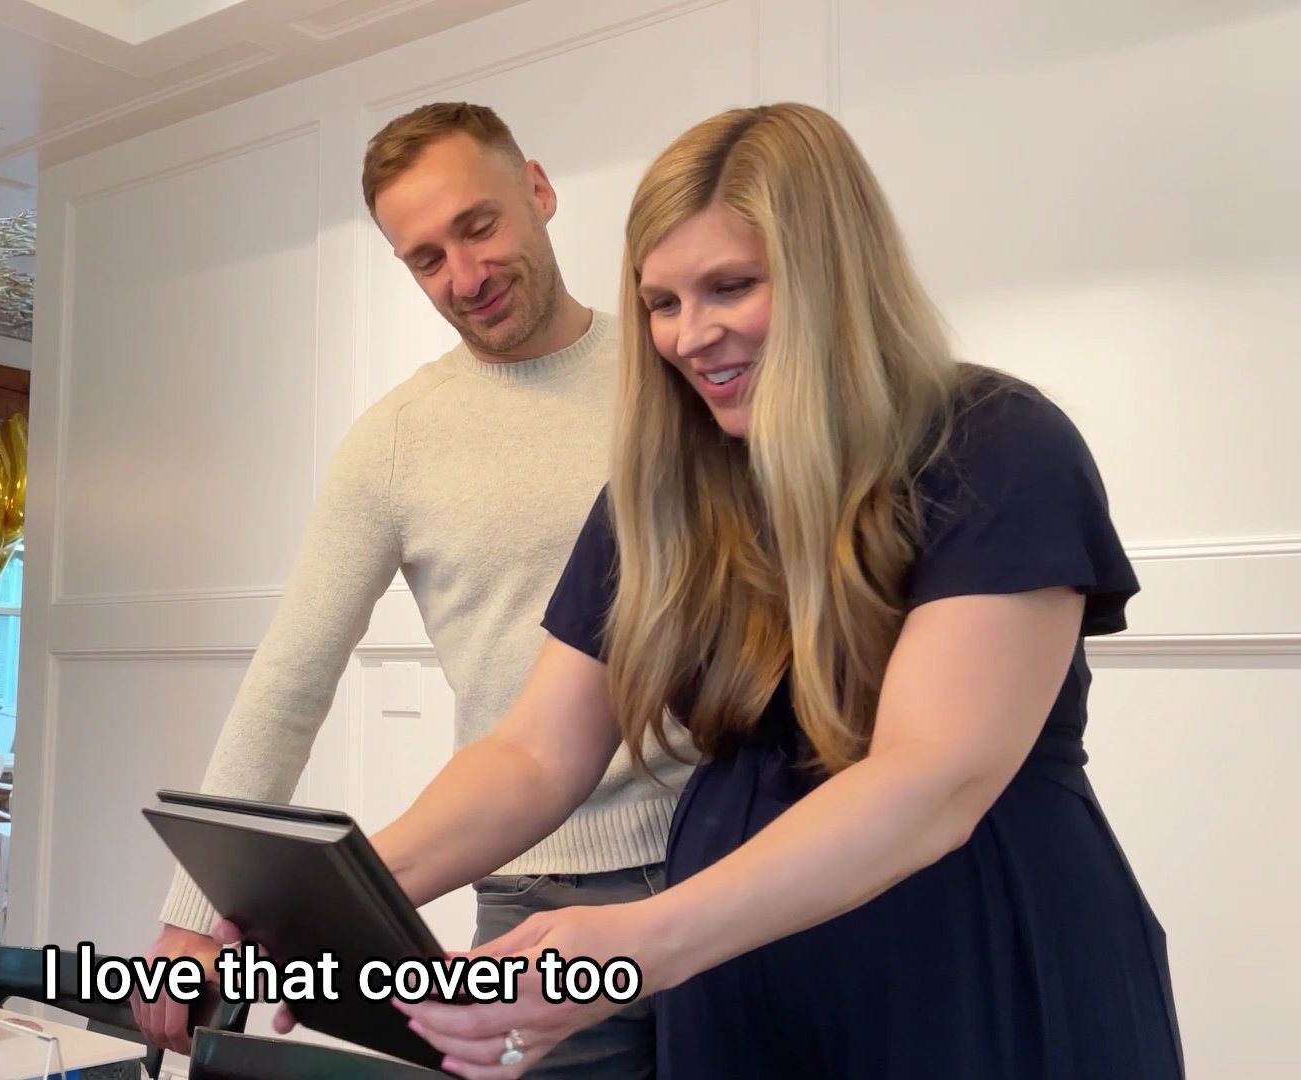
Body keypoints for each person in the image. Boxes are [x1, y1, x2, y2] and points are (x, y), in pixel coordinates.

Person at [352, 102, 1185, 1078]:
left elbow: (932, 782)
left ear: (834, 274)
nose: (689, 334)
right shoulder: (658, 496)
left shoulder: (995, 444)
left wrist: (635, 945)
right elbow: (537, 753)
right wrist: (346, 901)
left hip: (972, 973)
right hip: (742, 996)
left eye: (730, 287)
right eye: (661, 302)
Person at [131, 102, 690, 1077]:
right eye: (426, 259)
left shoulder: (677, 370)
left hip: (730, 856)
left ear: (539, 190)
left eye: (478, 226)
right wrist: (195, 922)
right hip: (534, 892)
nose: (464, 277)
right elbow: (287, 685)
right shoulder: (395, 442)